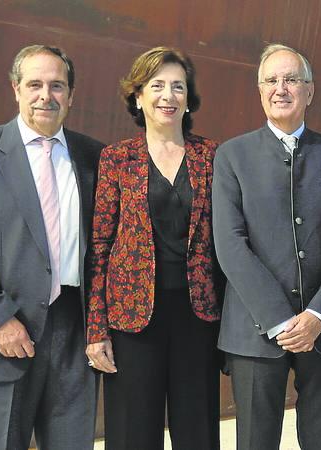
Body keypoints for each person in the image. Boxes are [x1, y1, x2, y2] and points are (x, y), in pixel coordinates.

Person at [0, 44, 102, 450]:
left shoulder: (95, 157)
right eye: (35, 84)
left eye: (57, 86)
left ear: (71, 95)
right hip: (3, 336)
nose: (46, 95)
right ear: (16, 89)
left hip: (75, 337)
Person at [212, 43, 321, 450]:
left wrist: (318, 315)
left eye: (292, 79)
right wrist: (281, 320)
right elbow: (230, 244)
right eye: (272, 80)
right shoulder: (231, 156)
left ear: (310, 91)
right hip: (255, 333)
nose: (281, 88)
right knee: (255, 441)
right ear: (260, 91)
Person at [85, 46, 221, 449]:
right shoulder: (116, 159)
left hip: (198, 316)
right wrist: (97, 328)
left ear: (188, 98)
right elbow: (100, 245)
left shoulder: (213, 156)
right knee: (132, 434)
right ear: (138, 96)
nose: (168, 96)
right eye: (157, 85)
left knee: (197, 432)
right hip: (131, 319)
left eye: (178, 87)